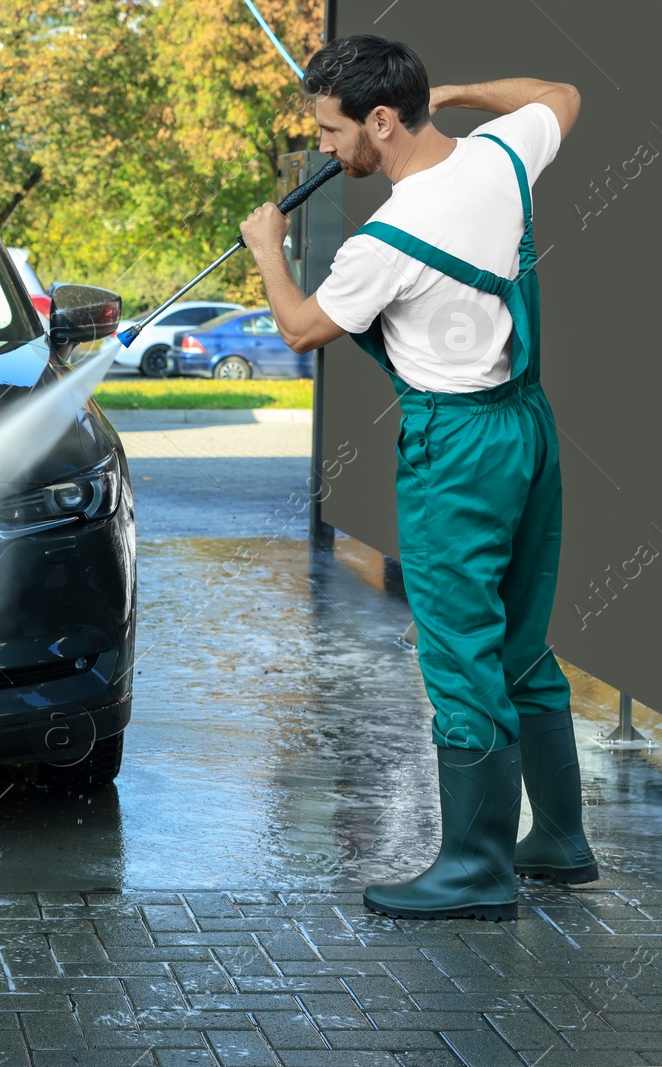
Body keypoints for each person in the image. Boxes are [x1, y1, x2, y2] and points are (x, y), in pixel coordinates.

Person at [237, 34, 595, 921]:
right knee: (519, 640)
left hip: (457, 452)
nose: (324, 147)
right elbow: (562, 89)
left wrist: (268, 248)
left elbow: (299, 330)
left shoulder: (384, 241)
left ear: (383, 121)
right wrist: (463, 89)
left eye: (331, 130)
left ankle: (475, 869)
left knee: (459, 651)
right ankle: (558, 837)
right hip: (526, 427)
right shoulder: (501, 155)